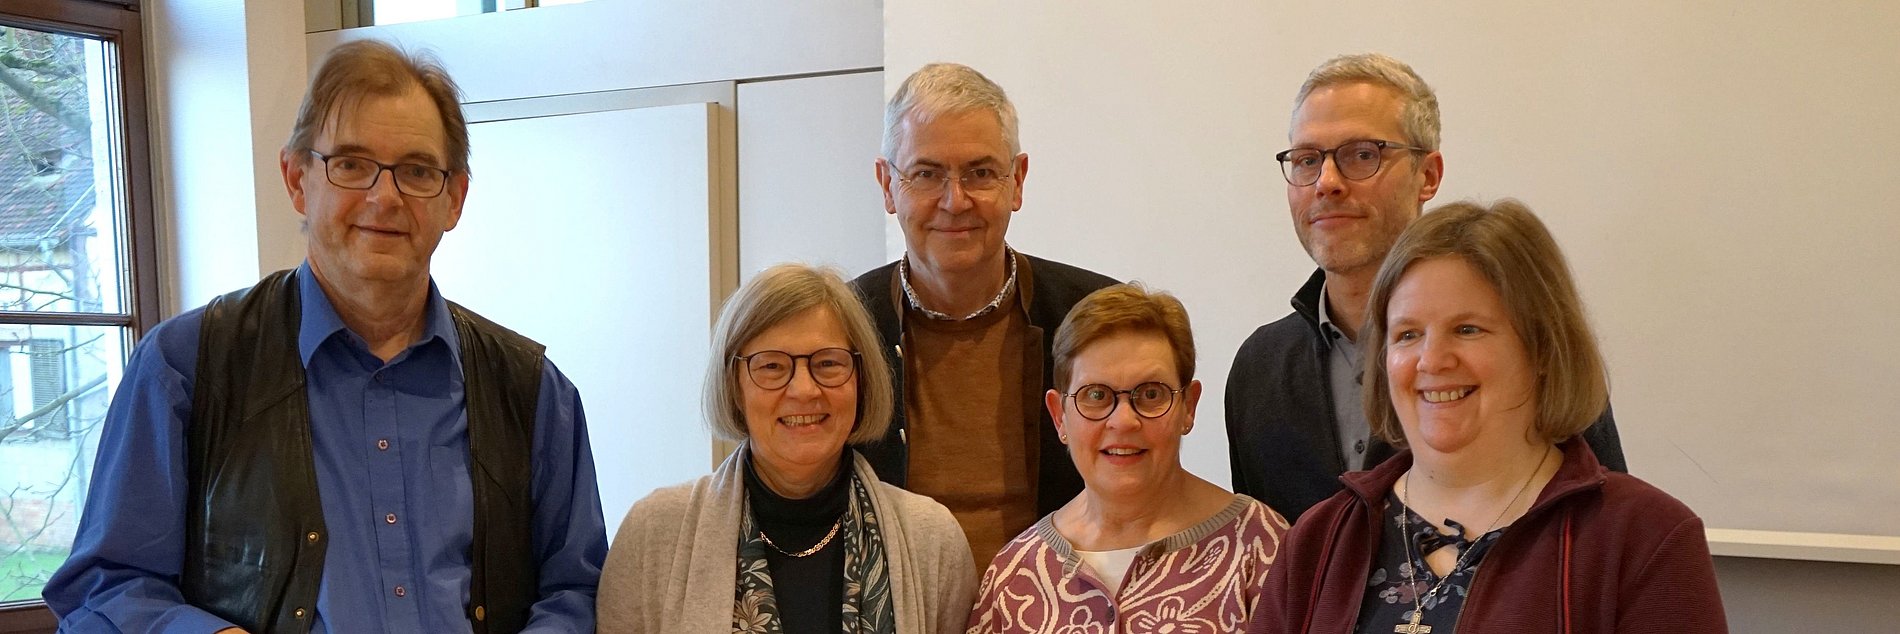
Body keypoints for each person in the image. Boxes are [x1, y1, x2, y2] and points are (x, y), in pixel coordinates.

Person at [42, 40, 606, 633]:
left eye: (417, 171)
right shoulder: (185, 368)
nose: (384, 197)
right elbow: (105, 593)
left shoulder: (534, 392)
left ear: (455, 199)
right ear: (296, 179)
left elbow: (576, 591)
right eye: (352, 165)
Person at [1248, 200, 1725, 634]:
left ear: (1542, 347)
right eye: (1408, 334)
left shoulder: (1646, 540)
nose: (1432, 360)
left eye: (1467, 329)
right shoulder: (1318, 541)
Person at [1225, 53, 1626, 522]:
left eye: (1363, 155)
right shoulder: (1259, 370)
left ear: (1428, 176)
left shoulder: (1520, 343)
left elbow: (1605, 525)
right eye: (1307, 160)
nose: (1327, 182)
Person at [598, 263, 975, 633]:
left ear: (861, 380)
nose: (804, 390)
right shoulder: (653, 535)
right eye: (772, 367)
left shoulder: (932, 541)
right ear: (734, 386)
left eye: (828, 363)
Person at [852, 62, 1119, 567]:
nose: (955, 201)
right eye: (926, 174)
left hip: (1066, 601)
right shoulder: (843, 328)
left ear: (1016, 181)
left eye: (980, 173)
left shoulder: (1098, 318)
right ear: (887, 185)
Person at [968, 284, 1289, 633]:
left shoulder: (1264, 550)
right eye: (1096, 395)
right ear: (1059, 415)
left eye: (1150, 394)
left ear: (1188, 406)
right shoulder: (1014, 576)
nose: (1123, 421)